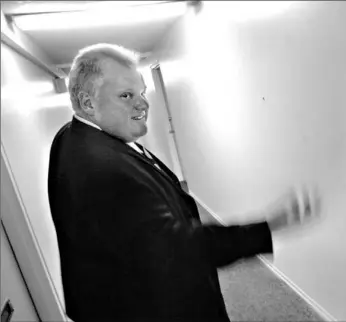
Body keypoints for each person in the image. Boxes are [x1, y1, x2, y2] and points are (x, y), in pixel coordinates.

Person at [47, 43, 321, 322]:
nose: (142, 104)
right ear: (88, 103)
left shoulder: (71, 136)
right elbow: (179, 250)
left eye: (141, 93)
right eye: (126, 95)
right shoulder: (101, 170)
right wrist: (265, 228)